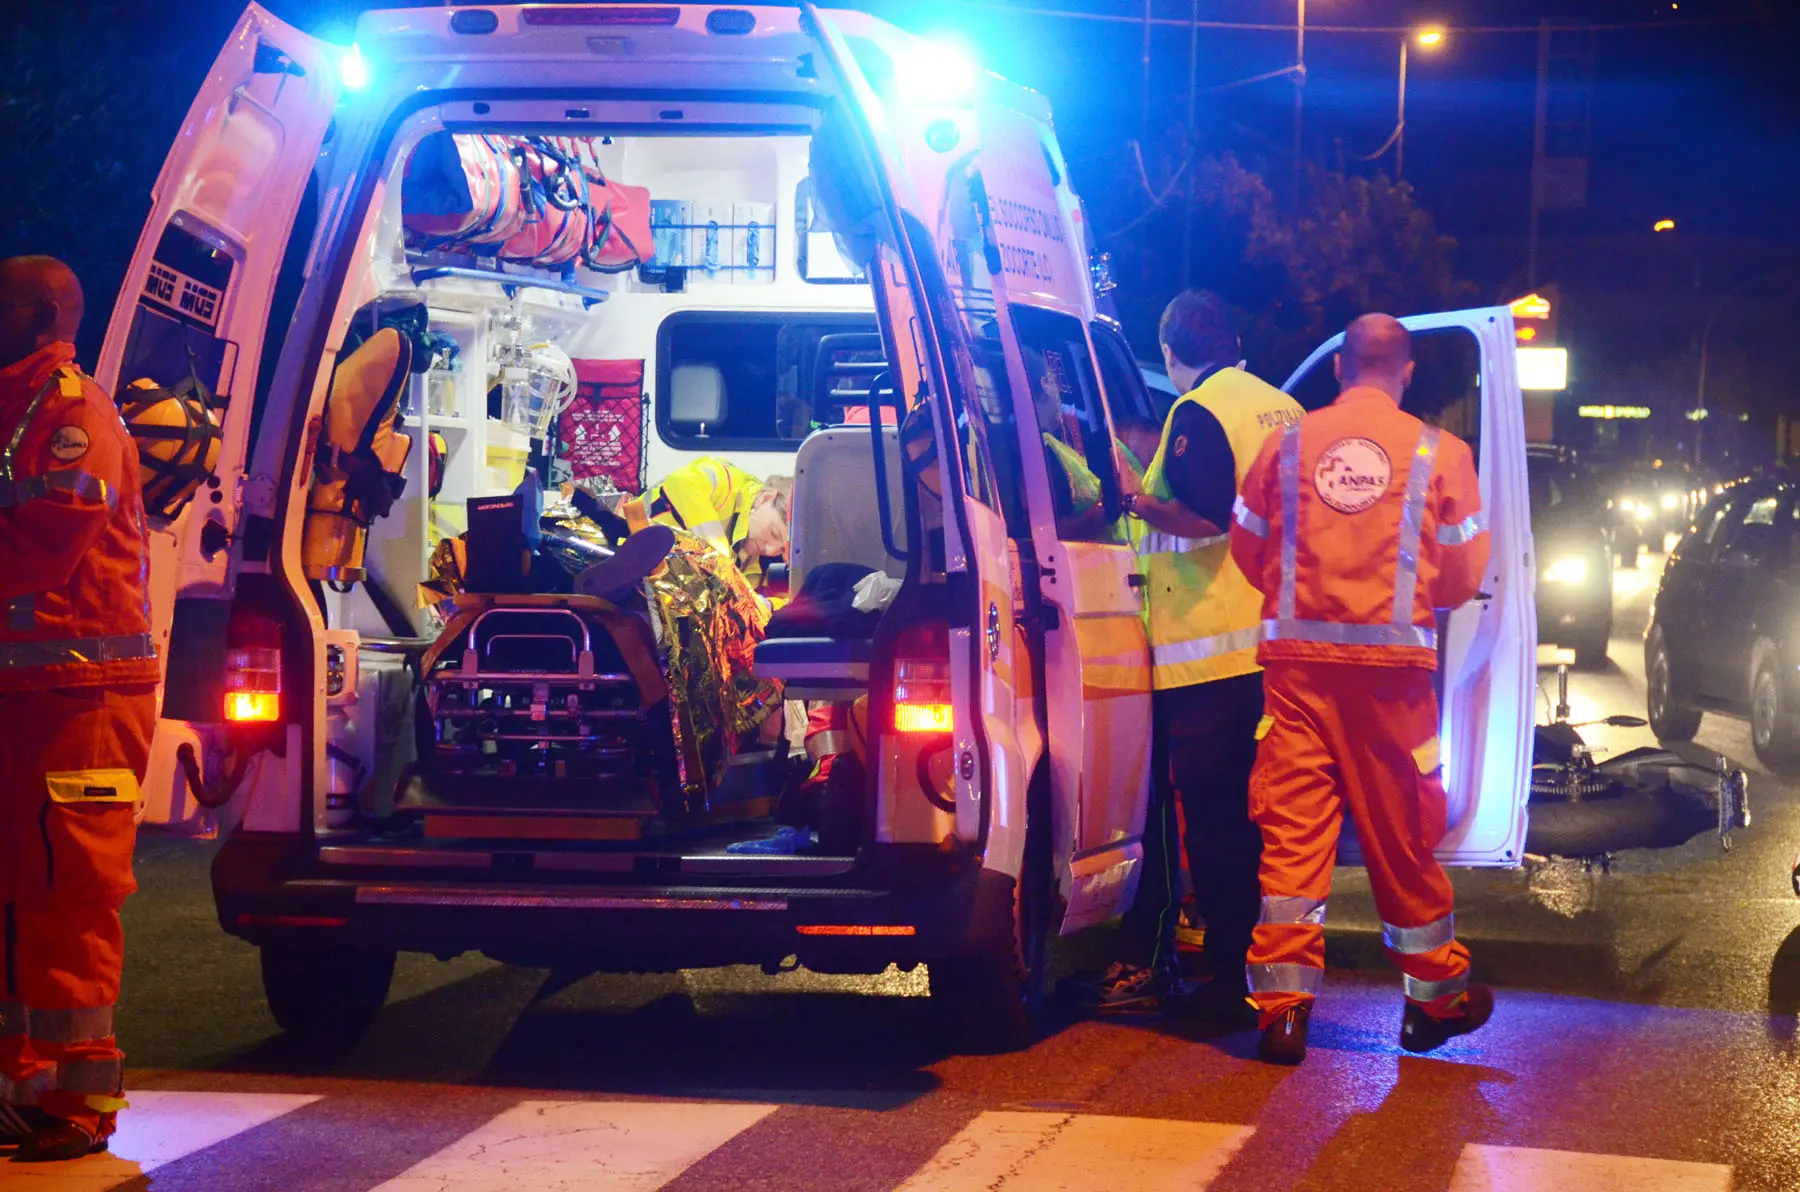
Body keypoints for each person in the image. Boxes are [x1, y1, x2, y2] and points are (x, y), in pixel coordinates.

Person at [1229, 313, 1493, 1065]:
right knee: (1402, 838)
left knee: (1293, 836)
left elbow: (1250, 547)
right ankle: (1434, 1000)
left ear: (1341, 367)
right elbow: (1463, 576)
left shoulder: (1283, 444)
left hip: (1297, 673)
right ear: (1405, 373)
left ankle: (1281, 1011)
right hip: (1394, 685)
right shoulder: (1443, 453)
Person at [1075, 291, 1302, 1017]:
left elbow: (1206, 516)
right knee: (1263, 821)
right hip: (1270, 648)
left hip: (1206, 659)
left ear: (1172, 353)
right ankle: (1267, 968)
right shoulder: (1282, 408)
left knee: (1213, 825)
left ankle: (1228, 979)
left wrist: (1136, 502)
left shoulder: (1198, 409)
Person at [0, 256, 158, 1160]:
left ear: (37, 311)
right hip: (28, 693)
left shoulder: (72, 412)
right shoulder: (15, 405)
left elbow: (45, 540)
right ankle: (23, 1089)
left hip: (80, 698)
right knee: (17, 897)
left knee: (68, 895)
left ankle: (78, 1100)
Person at [620, 456, 791, 589]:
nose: (770, 550)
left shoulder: (752, 558)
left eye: (781, 549)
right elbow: (684, 481)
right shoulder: (728, 482)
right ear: (766, 498)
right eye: (774, 533)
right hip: (622, 549)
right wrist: (716, 551)